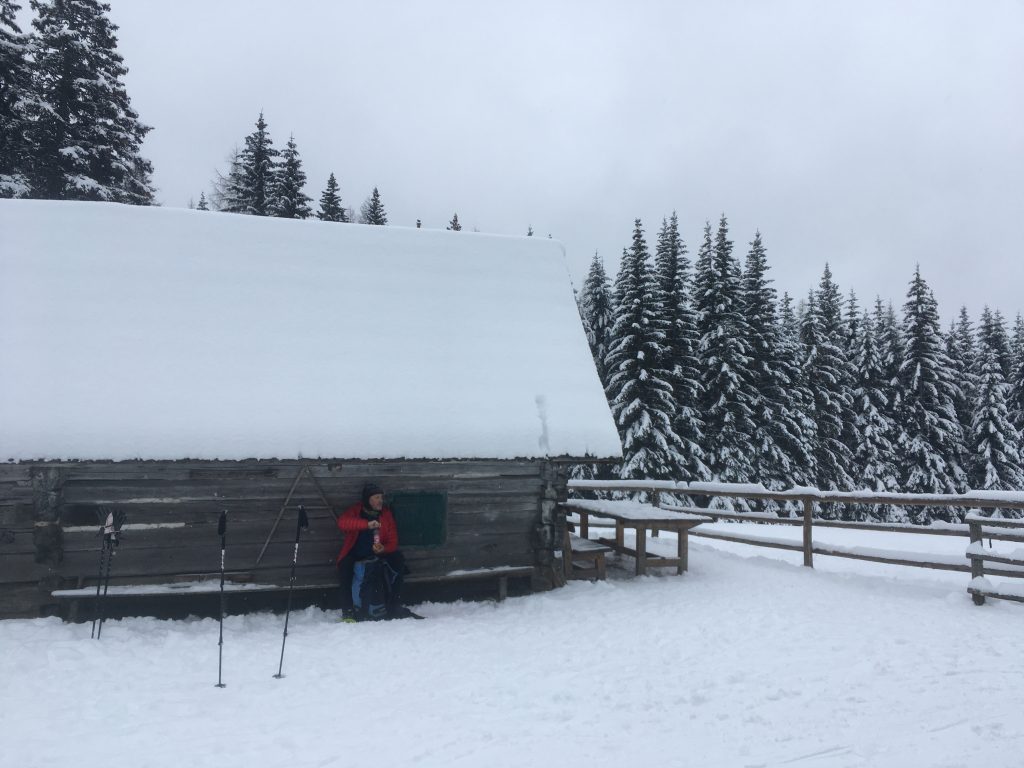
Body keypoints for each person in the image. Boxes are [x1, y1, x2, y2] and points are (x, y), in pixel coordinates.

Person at [335, 482, 413, 620]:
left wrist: (384, 548)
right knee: (345, 567)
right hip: (355, 552)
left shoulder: (386, 514)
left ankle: (393, 604)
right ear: (367, 499)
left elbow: (393, 540)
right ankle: (348, 611)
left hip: (377, 553)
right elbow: (342, 522)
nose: (380, 501)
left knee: (398, 560)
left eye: (381, 497)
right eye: (376, 497)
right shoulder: (356, 510)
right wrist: (366, 524)